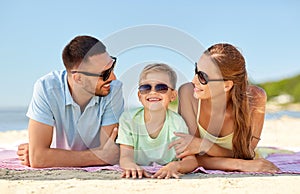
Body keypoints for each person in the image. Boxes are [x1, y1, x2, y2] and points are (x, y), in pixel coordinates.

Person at [169, 43, 280, 173]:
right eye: (196, 71)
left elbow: (247, 154)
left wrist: (204, 146)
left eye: (203, 77)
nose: (193, 81)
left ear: (226, 86)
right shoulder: (188, 93)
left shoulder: (255, 98)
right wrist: (242, 165)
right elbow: (191, 159)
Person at [17, 35, 124, 168]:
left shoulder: (113, 89)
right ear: (78, 78)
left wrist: (51, 155)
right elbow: (39, 159)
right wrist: (40, 154)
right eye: (104, 74)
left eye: (112, 67)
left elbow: (109, 152)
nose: (113, 78)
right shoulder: (46, 88)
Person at [116, 63, 198, 179]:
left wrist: (175, 166)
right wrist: (130, 165)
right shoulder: (128, 119)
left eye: (161, 88)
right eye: (146, 88)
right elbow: (125, 157)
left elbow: (190, 160)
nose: (153, 92)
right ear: (139, 96)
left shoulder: (177, 122)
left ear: (173, 96)